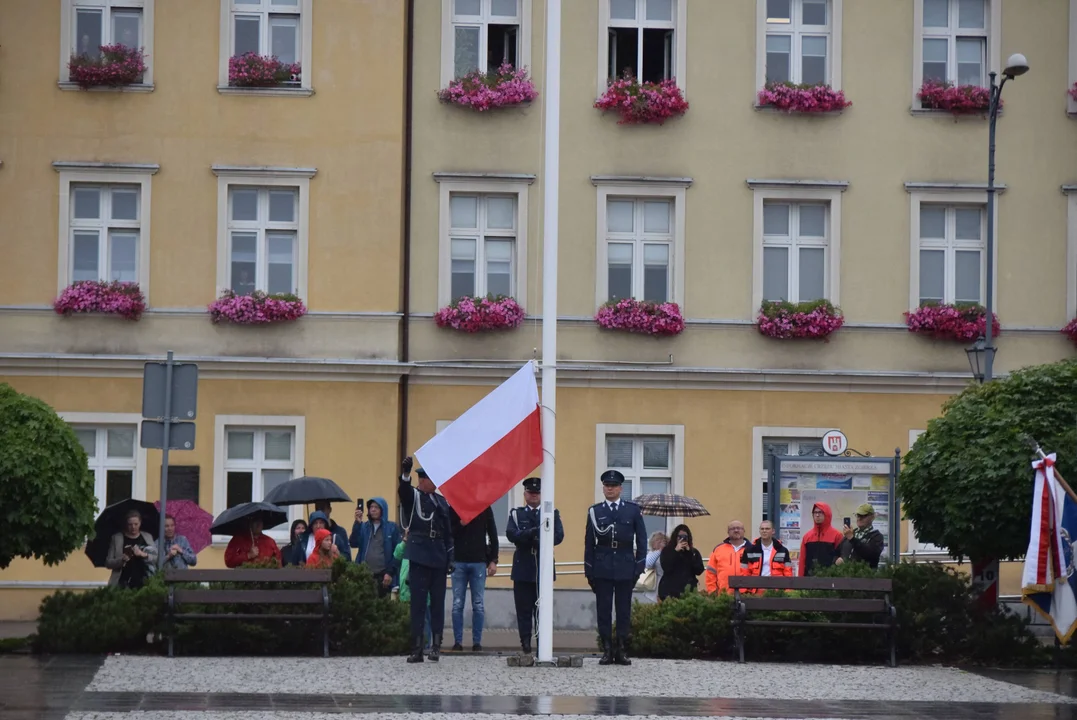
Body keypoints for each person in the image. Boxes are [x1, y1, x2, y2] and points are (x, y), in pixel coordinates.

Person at [584, 469, 647, 666]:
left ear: (620, 488)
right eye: (606, 486)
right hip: (602, 566)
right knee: (603, 610)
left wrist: (638, 566)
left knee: (623, 610)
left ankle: (621, 649)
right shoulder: (595, 511)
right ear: (603, 488)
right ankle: (606, 650)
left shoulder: (632, 510)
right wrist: (589, 569)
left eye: (613, 486)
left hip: (625, 565)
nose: (610, 489)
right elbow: (589, 543)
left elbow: (642, 540)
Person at [398, 456, 453, 663]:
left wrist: (450, 557)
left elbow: (448, 533)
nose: (435, 483)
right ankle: (417, 648)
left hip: (438, 555)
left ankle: (436, 646)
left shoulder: (441, 501)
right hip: (420, 555)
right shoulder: (415, 496)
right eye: (431, 479)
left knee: (437, 605)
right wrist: (405, 475)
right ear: (422, 481)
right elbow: (403, 493)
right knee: (418, 605)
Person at [505, 476, 564, 654]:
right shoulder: (517, 514)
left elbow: (558, 536)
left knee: (542, 611)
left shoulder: (551, 513)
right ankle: (525, 644)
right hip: (523, 568)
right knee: (523, 610)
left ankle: (542, 646)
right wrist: (532, 533)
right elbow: (512, 535)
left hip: (543, 568)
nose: (534, 496)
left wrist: (534, 536)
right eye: (530, 492)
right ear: (525, 494)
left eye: (537, 493)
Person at [449, 504, 499, 652]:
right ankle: (458, 642)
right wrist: (460, 524)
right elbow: (447, 534)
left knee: (478, 604)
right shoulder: (454, 506)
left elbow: (493, 534)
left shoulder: (484, 506)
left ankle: (477, 642)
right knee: (457, 604)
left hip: (478, 561)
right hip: (458, 561)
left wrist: (493, 560)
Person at [351, 497, 402, 598]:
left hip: (383, 577)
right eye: (371, 507)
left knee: (383, 608)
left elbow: (398, 553)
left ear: (383, 510)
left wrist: (390, 573)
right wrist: (357, 523)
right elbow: (353, 543)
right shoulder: (364, 526)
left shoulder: (392, 528)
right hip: (365, 575)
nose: (373, 509)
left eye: (376, 507)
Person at [394, 529, 432, 649]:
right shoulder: (406, 546)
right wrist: (405, 540)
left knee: (424, 619)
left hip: (422, 591)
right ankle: (410, 645)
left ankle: (425, 645)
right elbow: (397, 554)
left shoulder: (426, 545)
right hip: (406, 590)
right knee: (408, 619)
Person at [105, 509, 158, 588]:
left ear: (140, 523)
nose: (133, 527)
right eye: (130, 524)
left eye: (136, 524)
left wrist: (143, 554)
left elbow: (156, 558)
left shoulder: (147, 537)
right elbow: (108, 563)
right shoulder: (117, 538)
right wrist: (121, 560)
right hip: (122, 582)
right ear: (126, 524)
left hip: (145, 581)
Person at [657, 524, 704, 600]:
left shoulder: (693, 552)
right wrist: (675, 551)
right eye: (680, 537)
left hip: (688, 591)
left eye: (685, 537)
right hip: (669, 591)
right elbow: (666, 567)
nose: (682, 539)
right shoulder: (667, 551)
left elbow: (699, 570)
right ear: (675, 537)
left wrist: (690, 553)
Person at [799, 502, 844, 576]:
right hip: (810, 580)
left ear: (827, 514)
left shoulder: (837, 536)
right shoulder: (807, 537)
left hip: (830, 580)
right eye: (815, 512)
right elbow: (802, 561)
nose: (817, 515)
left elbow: (841, 559)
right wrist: (800, 582)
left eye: (820, 512)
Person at [705, 520, 749, 593]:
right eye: (733, 528)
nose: (736, 530)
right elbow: (710, 572)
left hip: (746, 595)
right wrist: (713, 591)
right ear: (728, 532)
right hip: (723, 595)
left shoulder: (751, 549)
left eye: (739, 528)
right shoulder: (718, 549)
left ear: (744, 531)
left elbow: (756, 572)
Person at [840, 503, 885, 569]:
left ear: (872, 517)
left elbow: (870, 554)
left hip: (865, 576)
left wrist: (852, 539)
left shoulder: (877, 536)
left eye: (863, 516)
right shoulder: (852, 532)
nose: (859, 518)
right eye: (858, 516)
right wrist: (836, 560)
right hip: (846, 575)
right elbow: (837, 551)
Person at [641, 531, 667, 604]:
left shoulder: (668, 553)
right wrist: (659, 551)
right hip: (655, 585)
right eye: (657, 540)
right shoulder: (652, 553)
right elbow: (648, 564)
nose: (660, 542)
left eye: (662, 540)